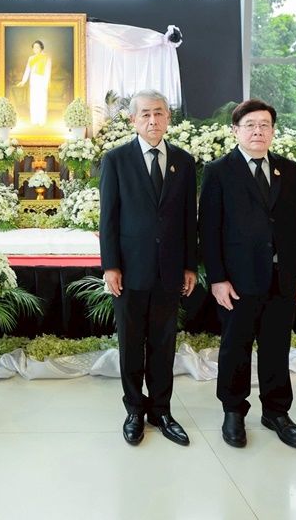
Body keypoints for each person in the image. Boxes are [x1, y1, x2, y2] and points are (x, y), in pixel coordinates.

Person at [199, 99, 296, 449]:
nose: (258, 131)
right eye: (250, 125)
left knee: (277, 346)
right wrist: (217, 278)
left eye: (265, 125)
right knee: (236, 346)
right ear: (236, 131)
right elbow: (209, 229)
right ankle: (234, 410)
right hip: (237, 279)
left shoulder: (288, 170)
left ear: (273, 131)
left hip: (282, 276)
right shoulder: (219, 171)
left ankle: (277, 412)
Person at [99, 89, 197, 447]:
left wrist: (189, 265)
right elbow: (108, 218)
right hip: (130, 269)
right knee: (131, 342)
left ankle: (161, 410)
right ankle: (134, 410)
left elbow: (188, 218)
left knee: (163, 342)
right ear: (133, 120)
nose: (153, 120)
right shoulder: (116, 160)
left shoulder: (183, 161)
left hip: (170, 270)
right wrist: (111, 266)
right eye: (145, 114)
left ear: (168, 117)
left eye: (159, 113)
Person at [16, 40, 52, 125]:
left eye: (37, 47)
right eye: (34, 47)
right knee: (34, 100)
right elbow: (27, 70)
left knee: (42, 100)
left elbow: (48, 71)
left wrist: (46, 83)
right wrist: (23, 81)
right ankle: (34, 120)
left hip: (42, 81)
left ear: (41, 48)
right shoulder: (31, 58)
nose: (35, 49)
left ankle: (42, 121)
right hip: (34, 81)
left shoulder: (46, 58)